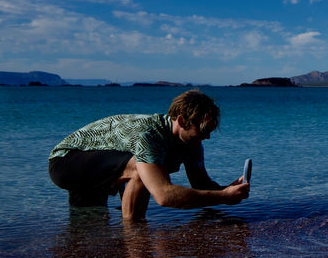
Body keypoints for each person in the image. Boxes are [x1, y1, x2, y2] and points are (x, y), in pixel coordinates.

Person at [49, 89, 250, 220]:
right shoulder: (149, 136)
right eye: (203, 130)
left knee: (90, 235)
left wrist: (228, 191)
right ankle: (134, 237)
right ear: (181, 121)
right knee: (141, 170)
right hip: (67, 162)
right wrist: (222, 197)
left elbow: (201, 185)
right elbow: (163, 195)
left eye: (210, 131)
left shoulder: (192, 141)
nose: (207, 137)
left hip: (103, 166)